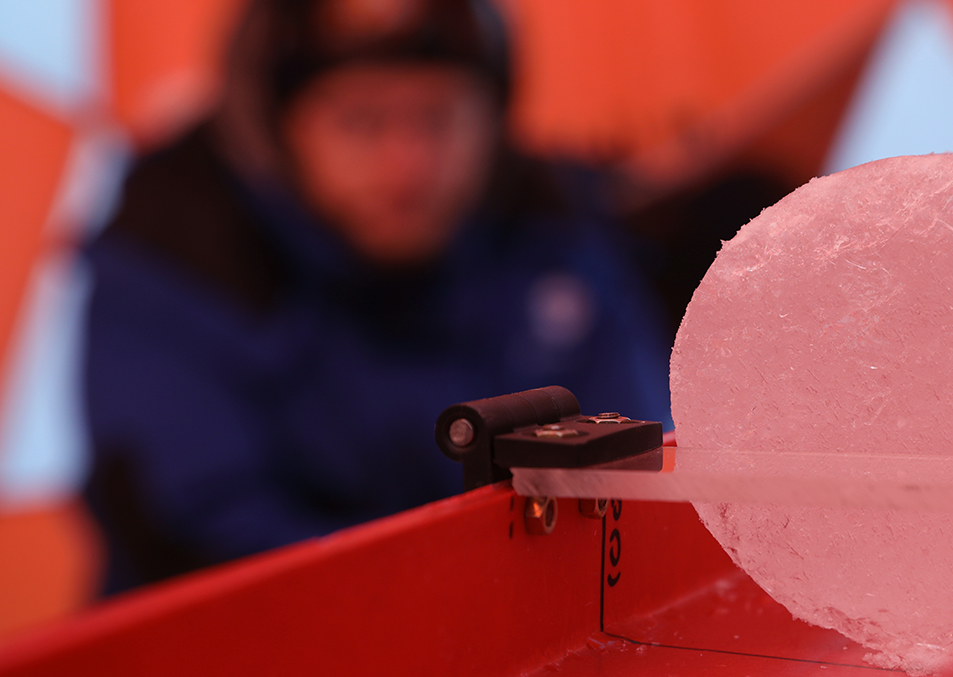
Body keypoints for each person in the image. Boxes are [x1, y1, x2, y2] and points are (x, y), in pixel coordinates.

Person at [83, 0, 670, 593]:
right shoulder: (172, 257)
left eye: (440, 118)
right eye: (361, 122)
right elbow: (204, 537)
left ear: (494, 120)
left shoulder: (554, 235)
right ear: (274, 126)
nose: (407, 167)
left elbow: (642, 471)